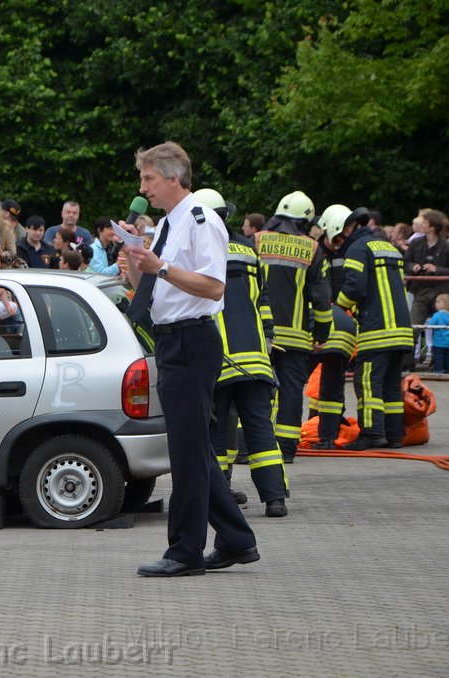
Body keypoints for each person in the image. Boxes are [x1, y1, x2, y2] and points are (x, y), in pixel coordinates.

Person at [123, 142, 257, 577]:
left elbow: (213, 287)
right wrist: (134, 256)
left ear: (174, 177)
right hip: (172, 340)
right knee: (192, 449)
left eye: (149, 179)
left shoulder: (201, 219)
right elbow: (151, 284)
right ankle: (236, 539)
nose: (144, 188)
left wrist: (159, 266)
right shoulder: (169, 222)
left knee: (186, 452)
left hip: (193, 341)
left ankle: (184, 552)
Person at [193, 188, 288, 518]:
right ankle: (275, 499)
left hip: (219, 361)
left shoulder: (199, 251)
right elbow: (262, 305)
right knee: (260, 430)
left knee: (216, 434)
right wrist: (267, 344)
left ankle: (218, 499)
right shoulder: (248, 250)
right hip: (256, 360)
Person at [256, 190, 332, 462]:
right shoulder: (312, 248)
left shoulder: (257, 241)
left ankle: (246, 446)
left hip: (258, 335)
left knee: (254, 390)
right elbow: (322, 300)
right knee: (290, 393)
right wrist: (322, 334)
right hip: (296, 338)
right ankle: (286, 449)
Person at [336, 202, 413, 450]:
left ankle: (371, 433)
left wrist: (337, 306)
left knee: (367, 382)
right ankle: (394, 434)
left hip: (377, 330)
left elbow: (354, 288)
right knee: (390, 385)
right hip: (400, 329)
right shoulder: (388, 247)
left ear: (346, 228)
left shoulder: (358, 249)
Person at [310, 205, 365, 450]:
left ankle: (321, 432)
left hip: (333, 324)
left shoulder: (348, 252)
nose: (340, 241)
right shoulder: (318, 251)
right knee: (324, 382)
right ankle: (324, 432)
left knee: (324, 381)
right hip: (338, 325)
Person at [404, 209, 449, 367]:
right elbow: (405, 262)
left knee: (444, 329)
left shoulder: (448, 247)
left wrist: (437, 269)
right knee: (413, 327)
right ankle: (406, 364)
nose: (421, 225)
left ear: (433, 227)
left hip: (440, 292)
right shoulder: (415, 243)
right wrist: (413, 267)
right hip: (420, 290)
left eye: (425, 223)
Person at [426, 294, 449, 374]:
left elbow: (431, 325)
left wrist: (429, 321)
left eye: (438, 302)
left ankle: (438, 372)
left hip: (438, 343)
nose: (436, 304)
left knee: (438, 358)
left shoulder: (437, 315)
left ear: (445, 304)